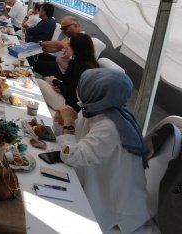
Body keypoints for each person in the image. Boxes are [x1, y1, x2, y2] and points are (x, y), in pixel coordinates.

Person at [53, 69, 151, 233]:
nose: (78, 90)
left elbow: (73, 155)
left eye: (83, 86)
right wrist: (61, 122)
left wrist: (68, 122)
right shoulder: (95, 110)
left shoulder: (111, 126)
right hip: (92, 181)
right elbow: (72, 141)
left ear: (95, 93)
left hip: (113, 208)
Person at [45, 33, 99, 112]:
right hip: (71, 98)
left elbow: (72, 94)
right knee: (47, 79)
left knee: (41, 81)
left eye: (69, 45)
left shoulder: (82, 67)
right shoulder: (82, 62)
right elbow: (68, 84)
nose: (66, 46)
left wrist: (55, 81)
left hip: (72, 106)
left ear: (77, 48)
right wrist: (60, 86)